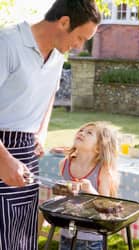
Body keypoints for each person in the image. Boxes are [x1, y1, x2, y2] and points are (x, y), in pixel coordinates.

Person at [0, 1, 101, 249]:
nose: (80, 46)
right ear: (64, 22)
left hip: (26, 150)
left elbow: (50, 94)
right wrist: (3, 159)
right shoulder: (7, 44)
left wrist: (41, 131)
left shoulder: (57, 56)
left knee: (23, 236)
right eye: (80, 37)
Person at [58, 122, 119, 250]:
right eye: (81, 130)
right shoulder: (65, 164)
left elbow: (106, 206)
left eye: (89, 133)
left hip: (91, 238)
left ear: (98, 148)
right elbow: (63, 196)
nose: (81, 133)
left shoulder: (103, 171)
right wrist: (63, 190)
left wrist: (90, 190)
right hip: (67, 232)